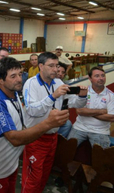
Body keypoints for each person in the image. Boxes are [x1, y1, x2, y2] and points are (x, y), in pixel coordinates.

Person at [0, 57, 69, 193]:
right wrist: (48, 123)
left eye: (20, 74)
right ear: (0, 79)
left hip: (10, 163)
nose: (19, 79)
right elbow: (14, 138)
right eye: (13, 76)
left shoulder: (14, 95)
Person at [22, 52, 87, 193]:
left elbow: (73, 102)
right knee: (33, 177)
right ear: (41, 66)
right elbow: (32, 110)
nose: (56, 69)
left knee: (45, 175)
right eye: (51, 66)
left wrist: (82, 97)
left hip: (53, 137)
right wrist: (52, 96)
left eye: (56, 66)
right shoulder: (31, 83)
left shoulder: (58, 82)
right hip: (36, 137)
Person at [68, 67, 114, 148]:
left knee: (102, 157)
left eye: (103, 75)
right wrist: (101, 111)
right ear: (90, 78)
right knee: (66, 150)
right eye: (97, 76)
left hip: (100, 131)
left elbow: (111, 117)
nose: (101, 78)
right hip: (79, 128)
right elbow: (79, 111)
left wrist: (86, 112)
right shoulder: (83, 91)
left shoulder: (111, 96)